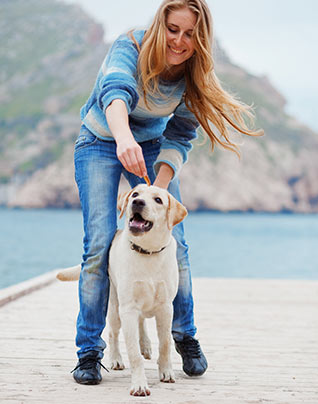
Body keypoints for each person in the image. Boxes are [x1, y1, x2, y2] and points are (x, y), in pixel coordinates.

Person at [71, 0, 262, 385]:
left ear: (200, 38)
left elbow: (180, 133)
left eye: (190, 33)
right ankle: (89, 353)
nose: (179, 40)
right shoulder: (130, 47)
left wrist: (158, 189)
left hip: (154, 144)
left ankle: (185, 337)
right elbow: (116, 93)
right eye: (173, 29)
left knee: (179, 243)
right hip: (100, 139)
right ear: (160, 25)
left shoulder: (194, 74)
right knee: (98, 245)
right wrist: (124, 139)